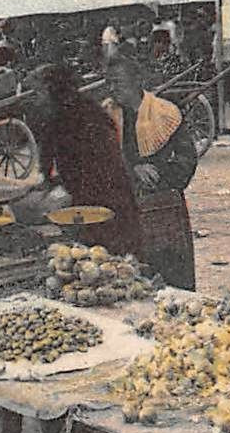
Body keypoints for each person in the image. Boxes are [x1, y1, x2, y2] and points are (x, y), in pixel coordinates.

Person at [22, 62, 142, 255]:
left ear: (53, 90)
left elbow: (92, 165)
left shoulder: (84, 116)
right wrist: (49, 180)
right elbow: (49, 155)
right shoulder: (56, 114)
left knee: (106, 253)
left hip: (105, 195)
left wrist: (59, 185)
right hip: (87, 192)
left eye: (38, 92)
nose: (34, 99)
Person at [101, 55, 200, 288]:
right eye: (110, 83)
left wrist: (159, 175)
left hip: (163, 208)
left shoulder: (165, 112)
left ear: (137, 80)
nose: (113, 89)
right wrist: (132, 168)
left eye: (119, 82)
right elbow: (102, 159)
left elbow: (187, 159)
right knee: (129, 279)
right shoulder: (107, 114)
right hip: (125, 207)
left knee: (173, 278)